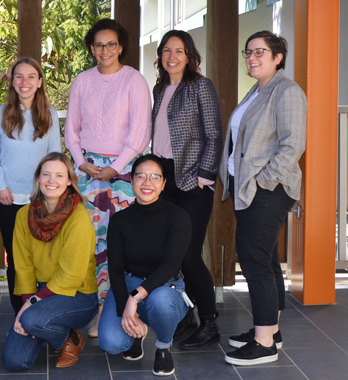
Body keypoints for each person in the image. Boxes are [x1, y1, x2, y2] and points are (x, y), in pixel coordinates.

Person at [220, 31, 307, 366]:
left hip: (267, 190)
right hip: (250, 189)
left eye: (261, 52)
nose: (252, 58)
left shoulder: (287, 91)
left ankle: (264, 343)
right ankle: (271, 329)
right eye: (249, 52)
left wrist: (264, 182)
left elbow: (292, 144)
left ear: (278, 57)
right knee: (268, 261)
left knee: (254, 260)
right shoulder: (258, 90)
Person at [64, 18, 152, 336]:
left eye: (111, 44)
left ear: (121, 47)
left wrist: (118, 165)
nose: (105, 50)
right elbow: (71, 129)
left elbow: (140, 131)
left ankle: (125, 307)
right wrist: (80, 161)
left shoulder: (134, 80)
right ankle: (98, 308)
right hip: (86, 172)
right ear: (91, 48)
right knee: (89, 242)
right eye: (99, 45)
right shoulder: (82, 81)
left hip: (123, 174)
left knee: (121, 242)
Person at [148, 30, 223, 347]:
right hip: (164, 177)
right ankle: (187, 318)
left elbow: (214, 134)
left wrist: (206, 174)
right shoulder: (160, 87)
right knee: (173, 255)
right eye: (166, 50)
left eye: (179, 50)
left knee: (190, 255)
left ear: (190, 56)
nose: (172, 56)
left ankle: (209, 323)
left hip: (193, 179)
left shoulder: (200, 86)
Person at [98, 154, 193, 377]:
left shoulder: (178, 217)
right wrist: (126, 307)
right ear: (131, 181)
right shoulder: (120, 220)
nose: (147, 183)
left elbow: (170, 265)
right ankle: (135, 333)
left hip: (165, 287)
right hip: (130, 281)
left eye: (154, 177)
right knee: (111, 343)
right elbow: (116, 270)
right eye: (140, 176)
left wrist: (134, 298)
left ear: (163, 184)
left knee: (160, 301)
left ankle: (163, 345)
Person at [2, 152, 98, 371]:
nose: (51, 181)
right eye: (46, 174)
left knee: (32, 320)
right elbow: (23, 265)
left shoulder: (79, 218)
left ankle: (60, 333)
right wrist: (28, 300)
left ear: (69, 181)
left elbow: (71, 275)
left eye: (59, 175)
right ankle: (65, 336)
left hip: (78, 295)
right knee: (15, 361)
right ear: (38, 179)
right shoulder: (23, 215)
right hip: (41, 293)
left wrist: (31, 305)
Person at [0, 57, 62, 314]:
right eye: (18, 76)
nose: (24, 82)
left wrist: (49, 192)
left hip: (42, 199)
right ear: (11, 81)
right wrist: (1, 186)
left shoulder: (48, 114)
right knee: (16, 260)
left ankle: (44, 309)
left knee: (44, 256)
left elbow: (55, 156)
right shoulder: (0, 113)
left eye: (31, 76)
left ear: (40, 82)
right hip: (8, 198)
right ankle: (20, 312)